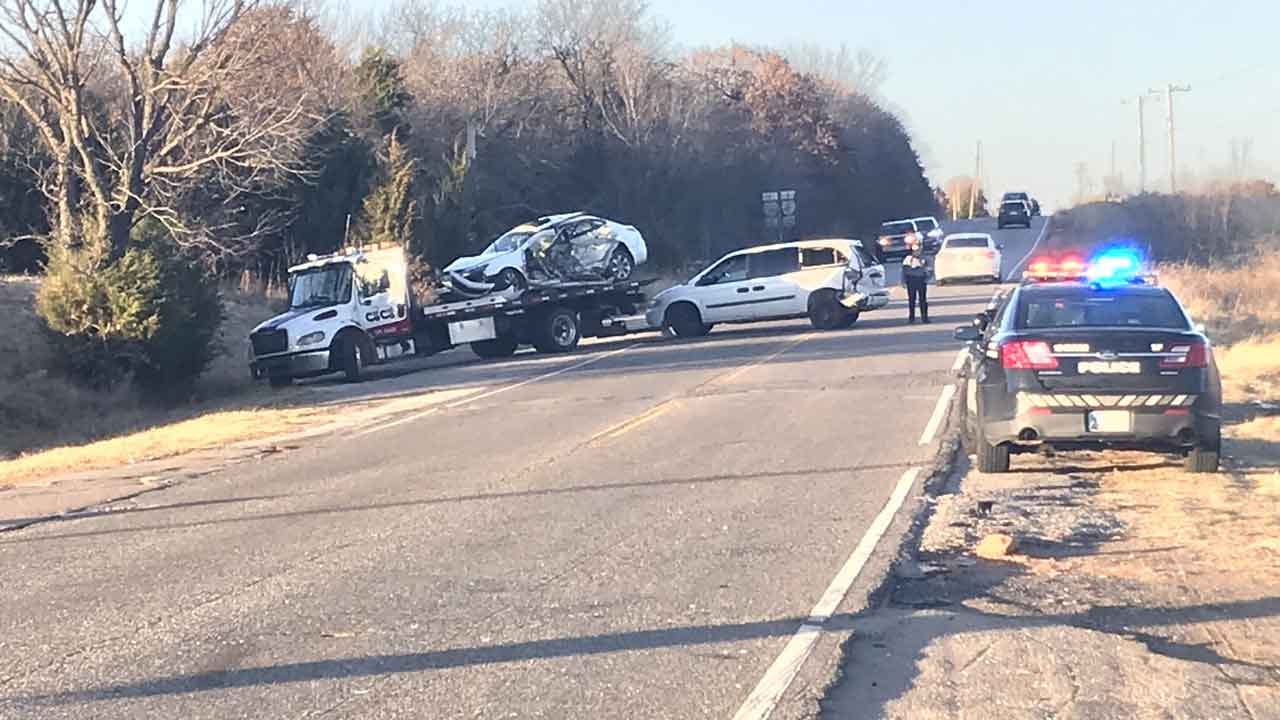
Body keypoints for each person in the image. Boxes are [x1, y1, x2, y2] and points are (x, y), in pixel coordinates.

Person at [901, 241, 931, 323]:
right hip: (911, 280)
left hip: (921, 280)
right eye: (915, 251)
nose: (917, 252)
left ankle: (925, 317)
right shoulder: (908, 259)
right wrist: (903, 281)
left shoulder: (924, 259)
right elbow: (904, 271)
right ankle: (911, 318)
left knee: (923, 300)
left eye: (918, 250)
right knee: (911, 300)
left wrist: (927, 278)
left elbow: (930, 270)